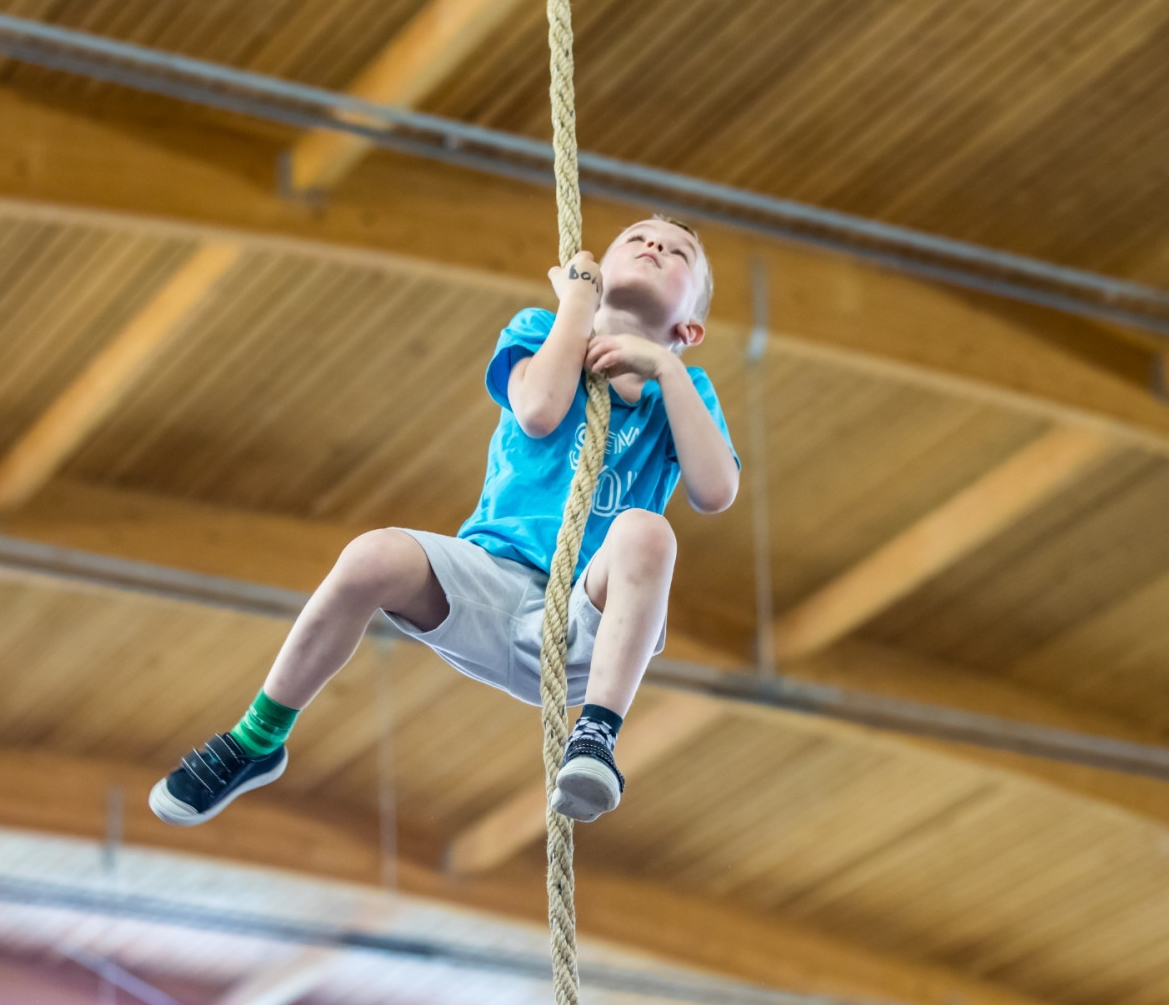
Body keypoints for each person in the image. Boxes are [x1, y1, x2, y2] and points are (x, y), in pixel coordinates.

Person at [149, 216, 739, 827]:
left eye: (678, 253)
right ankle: (257, 738)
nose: (654, 245)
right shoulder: (541, 330)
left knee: (647, 530)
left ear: (689, 329)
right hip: (490, 585)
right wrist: (577, 304)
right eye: (636, 239)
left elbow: (715, 491)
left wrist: (667, 371)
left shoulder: (684, 390)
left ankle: (596, 734)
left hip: (586, 622)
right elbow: (539, 411)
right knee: (371, 556)